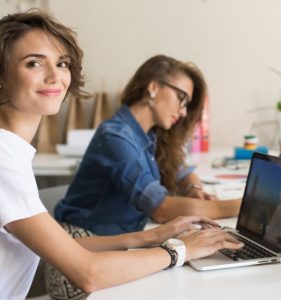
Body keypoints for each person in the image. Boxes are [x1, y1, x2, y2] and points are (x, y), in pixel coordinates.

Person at [0, 11, 242, 300]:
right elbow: (88, 273)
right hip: (78, 269)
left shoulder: (14, 152)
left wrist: (154, 236)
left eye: (62, 63)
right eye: (34, 63)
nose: (55, 76)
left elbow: (179, 168)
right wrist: (183, 248)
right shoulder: (6, 160)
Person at [53, 54, 241, 236]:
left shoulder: (150, 135)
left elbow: (183, 172)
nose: (183, 112)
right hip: (83, 241)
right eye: (181, 99)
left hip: (119, 236)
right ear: (153, 88)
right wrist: (240, 206)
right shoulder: (116, 137)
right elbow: (160, 208)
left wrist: (195, 189)